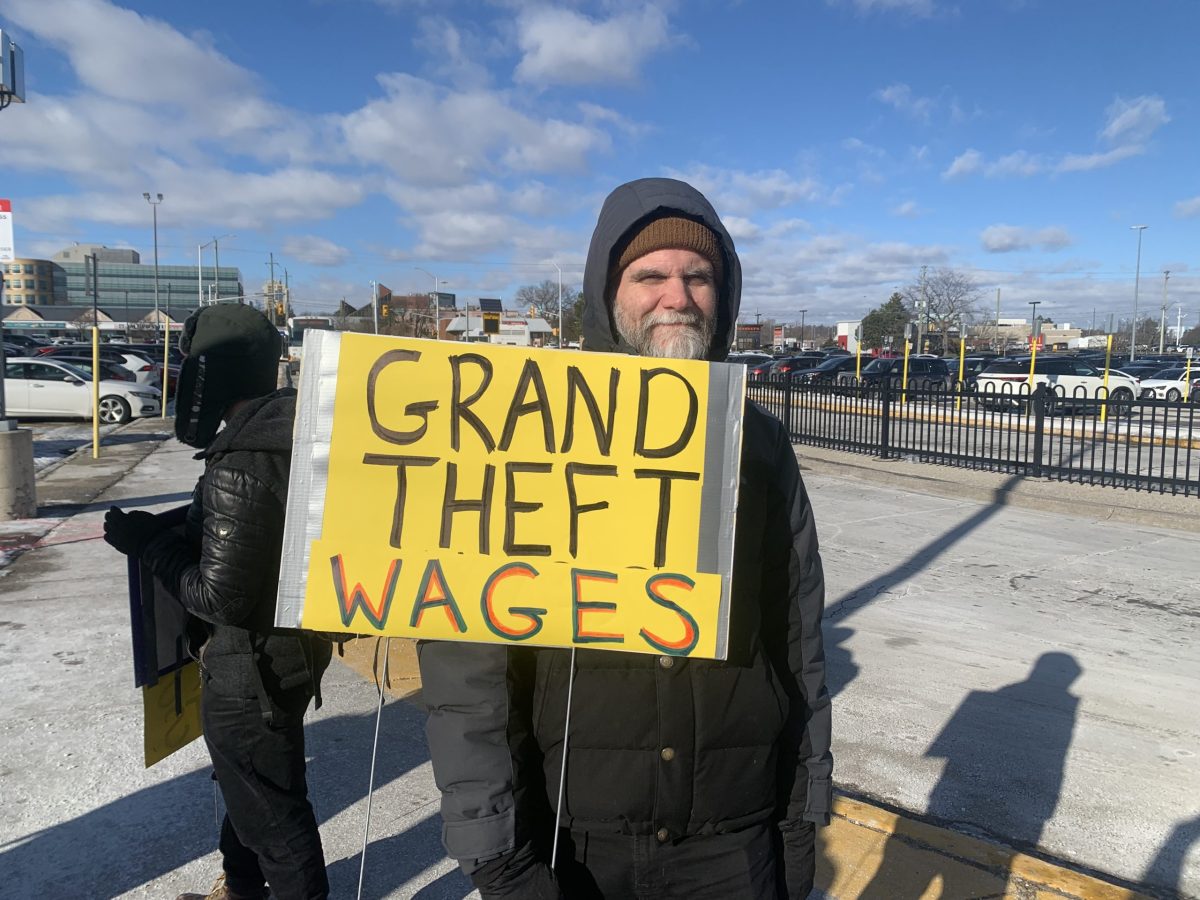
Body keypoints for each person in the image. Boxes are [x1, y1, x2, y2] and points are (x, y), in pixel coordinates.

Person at [418, 177, 832, 899]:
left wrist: (801, 813)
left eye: (698, 276)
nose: (677, 296)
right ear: (608, 292)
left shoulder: (759, 444)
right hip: (577, 838)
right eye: (650, 276)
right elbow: (468, 662)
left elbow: (798, 640)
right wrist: (494, 849)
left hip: (733, 835)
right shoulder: (530, 432)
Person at [103, 305, 331, 900]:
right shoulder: (286, 432)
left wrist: (149, 544)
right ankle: (241, 888)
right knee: (249, 790)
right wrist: (180, 527)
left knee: (274, 819)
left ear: (212, 373)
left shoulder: (244, 455)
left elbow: (220, 596)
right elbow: (261, 532)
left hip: (248, 666)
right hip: (286, 651)